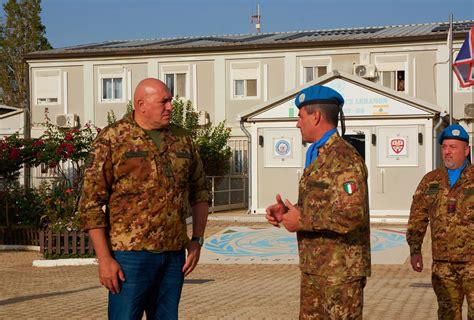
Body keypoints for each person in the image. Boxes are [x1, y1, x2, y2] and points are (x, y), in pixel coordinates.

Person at [79, 78, 209, 320]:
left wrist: (197, 241)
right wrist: (104, 259)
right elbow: (90, 203)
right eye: (164, 101)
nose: (171, 106)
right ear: (141, 104)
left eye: (171, 100)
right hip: (130, 256)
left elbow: (200, 192)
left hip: (172, 255)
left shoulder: (183, 138)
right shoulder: (113, 138)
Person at [266, 85, 371, 319]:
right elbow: (323, 205)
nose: (297, 124)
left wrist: (302, 220)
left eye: (300, 117)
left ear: (316, 116)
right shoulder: (319, 154)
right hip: (316, 268)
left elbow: (353, 214)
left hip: (340, 274)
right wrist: (286, 212)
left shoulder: (344, 157)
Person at [406, 124, 473, 320]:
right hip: (443, 265)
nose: (447, 152)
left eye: (453, 147)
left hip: (472, 262)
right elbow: (417, 216)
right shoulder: (431, 181)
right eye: (444, 147)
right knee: (447, 315)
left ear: (466, 150)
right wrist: (415, 249)